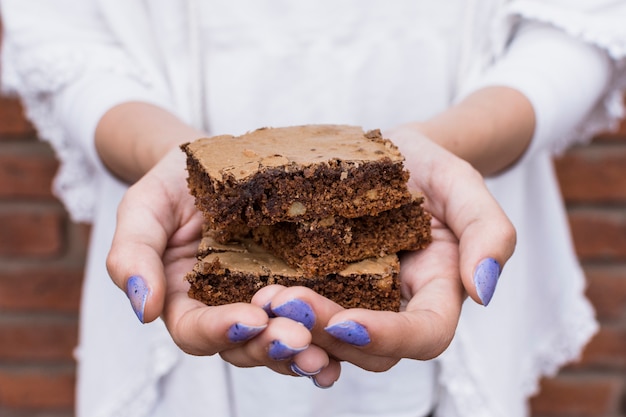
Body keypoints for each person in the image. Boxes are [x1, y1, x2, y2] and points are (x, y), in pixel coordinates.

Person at [1, 1, 624, 416]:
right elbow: (68, 44)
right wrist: (175, 156)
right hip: (178, 238)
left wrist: (445, 148)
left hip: (455, 227)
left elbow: (581, 28)